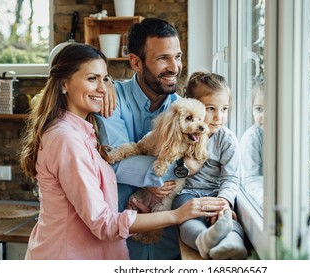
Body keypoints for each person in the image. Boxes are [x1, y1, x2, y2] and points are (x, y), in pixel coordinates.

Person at [19, 43, 224, 260]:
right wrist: (176, 215)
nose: (102, 88)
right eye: (92, 79)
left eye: (105, 79)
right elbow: (103, 223)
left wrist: (136, 216)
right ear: (64, 84)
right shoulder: (66, 139)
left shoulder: (84, 131)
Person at [95, 18, 191, 260]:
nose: (174, 67)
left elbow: (196, 162)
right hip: (122, 241)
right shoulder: (111, 99)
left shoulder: (185, 111)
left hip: (168, 243)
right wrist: (170, 174)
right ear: (136, 62)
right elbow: (114, 161)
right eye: (162, 59)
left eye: (177, 56)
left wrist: (153, 179)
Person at [172, 71, 248, 260]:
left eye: (224, 109)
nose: (218, 117)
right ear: (194, 107)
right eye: (211, 109)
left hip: (216, 194)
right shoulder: (184, 135)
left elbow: (231, 177)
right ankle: (202, 239)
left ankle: (232, 244)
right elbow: (173, 169)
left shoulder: (227, 139)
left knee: (229, 219)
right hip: (188, 194)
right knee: (187, 222)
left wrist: (224, 202)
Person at [239, 83, 264, 208]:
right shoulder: (252, 138)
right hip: (262, 196)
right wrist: (265, 201)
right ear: (252, 110)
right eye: (259, 109)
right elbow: (250, 180)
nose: (264, 116)